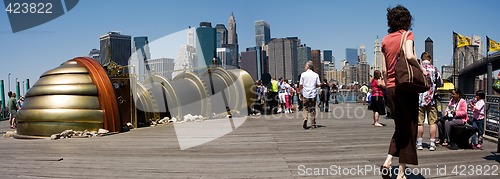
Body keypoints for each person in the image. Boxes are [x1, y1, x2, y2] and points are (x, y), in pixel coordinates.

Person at [380, 5, 426, 179]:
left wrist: (388, 83)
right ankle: (401, 173)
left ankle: (388, 160)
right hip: (405, 87)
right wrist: (422, 70)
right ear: (407, 20)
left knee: (400, 126)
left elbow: (384, 71)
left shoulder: (385, 40)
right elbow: (409, 56)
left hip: (391, 88)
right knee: (410, 128)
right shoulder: (407, 35)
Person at [416, 52, 442, 151]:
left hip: (419, 99)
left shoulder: (418, 68)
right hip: (431, 100)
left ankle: (419, 144)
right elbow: (440, 83)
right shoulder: (435, 70)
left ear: (421, 59)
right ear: (430, 59)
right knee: (432, 122)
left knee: (420, 123)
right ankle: (432, 144)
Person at [298, 61, 320, 129]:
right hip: (313, 93)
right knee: (313, 108)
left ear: (308, 66)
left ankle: (305, 118)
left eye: (305, 65)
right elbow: (318, 84)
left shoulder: (303, 74)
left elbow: (301, 85)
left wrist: (299, 92)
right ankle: (313, 124)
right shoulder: (316, 75)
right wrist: (313, 86)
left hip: (305, 93)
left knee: (305, 107)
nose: (305, 67)